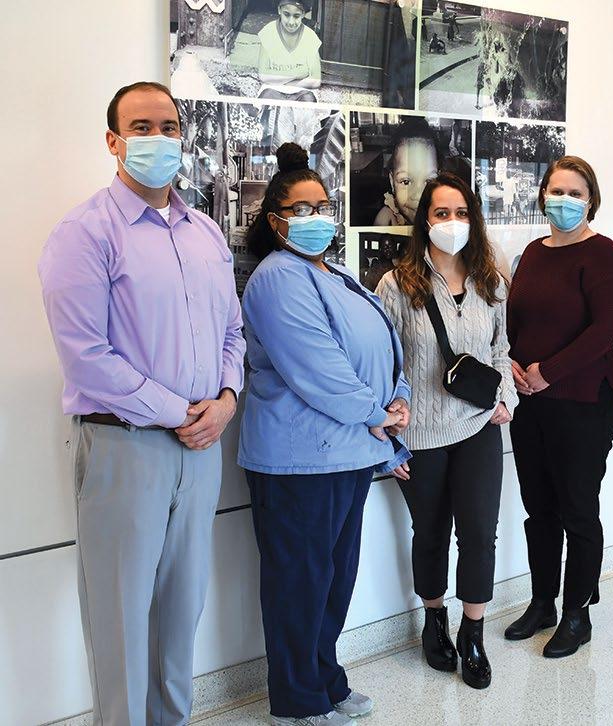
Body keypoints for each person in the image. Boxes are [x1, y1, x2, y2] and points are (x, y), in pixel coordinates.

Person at [38, 81, 245, 725]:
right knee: (121, 619)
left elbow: (233, 331)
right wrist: (179, 412)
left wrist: (227, 399)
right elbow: (86, 357)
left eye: (169, 126)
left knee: (182, 613)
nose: (159, 138)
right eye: (142, 127)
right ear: (113, 141)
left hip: (202, 448)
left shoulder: (205, 232)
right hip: (124, 448)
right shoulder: (85, 233)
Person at [238, 143, 412, 725]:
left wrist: (398, 397)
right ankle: (296, 700)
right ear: (276, 220)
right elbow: (318, 367)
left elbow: (385, 344)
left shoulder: (333, 273)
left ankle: (325, 680)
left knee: (333, 581)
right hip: (299, 459)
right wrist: (376, 413)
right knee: (299, 583)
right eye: (301, 208)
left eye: (323, 206)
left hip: (349, 452)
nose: (316, 217)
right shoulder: (276, 279)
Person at [376, 173, 517, 689]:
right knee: (430, 532)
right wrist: (388, 439)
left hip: (477, 428)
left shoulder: (490, 281)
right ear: (425, 221)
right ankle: (434, 619)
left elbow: (501, 349)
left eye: (460, 213)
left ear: (473, 220)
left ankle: (473, 632)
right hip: (419, 436)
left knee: (479, 533)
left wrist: (506, 396)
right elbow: (381, 364)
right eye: (441, 213)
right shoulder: (396, 285)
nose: (451, 222)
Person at [504, 156, 613, 657]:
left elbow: (606, 330)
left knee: (578, 510)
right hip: (531, 402)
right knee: (539, 509)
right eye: (556, 191)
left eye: (575, 193)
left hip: (583, 402)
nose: (564, 201)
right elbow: (515, 321)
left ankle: (578, 613)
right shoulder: (532, 254)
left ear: (591, 200)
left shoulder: (603, 254)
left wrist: (548, 371)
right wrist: (513, 365)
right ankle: (543, 602)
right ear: (542, 196)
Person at [374, 118, 440, 226]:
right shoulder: (386, 220)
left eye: (429, 181)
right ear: (392, 182)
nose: (418, 196)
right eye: (406, 182)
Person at [256, 0, 322, 103]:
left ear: (303, 14)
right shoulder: (269, 32)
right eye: (286, 15)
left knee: (308, 100)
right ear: (279, 10)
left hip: (301, 91)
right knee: (266, 99)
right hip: (273, 90)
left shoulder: (310, 37)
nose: (291, 22)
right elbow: (264, 76)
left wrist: (281, 80)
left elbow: (315, 81)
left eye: (296, 16)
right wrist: (297, 74)